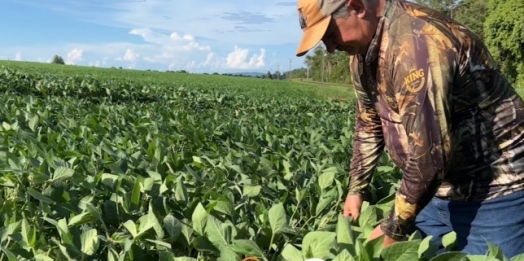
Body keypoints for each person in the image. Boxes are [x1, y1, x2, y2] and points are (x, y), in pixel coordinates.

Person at [295, 0, 524, 258]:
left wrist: (393, 229)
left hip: (495, 193)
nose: (331, 47)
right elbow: (369, 123)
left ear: (357, 7)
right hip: (431, 191)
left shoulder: (418, 44)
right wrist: (356, 189)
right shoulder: (363, 53)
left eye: (331, 34)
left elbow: (430, 156)